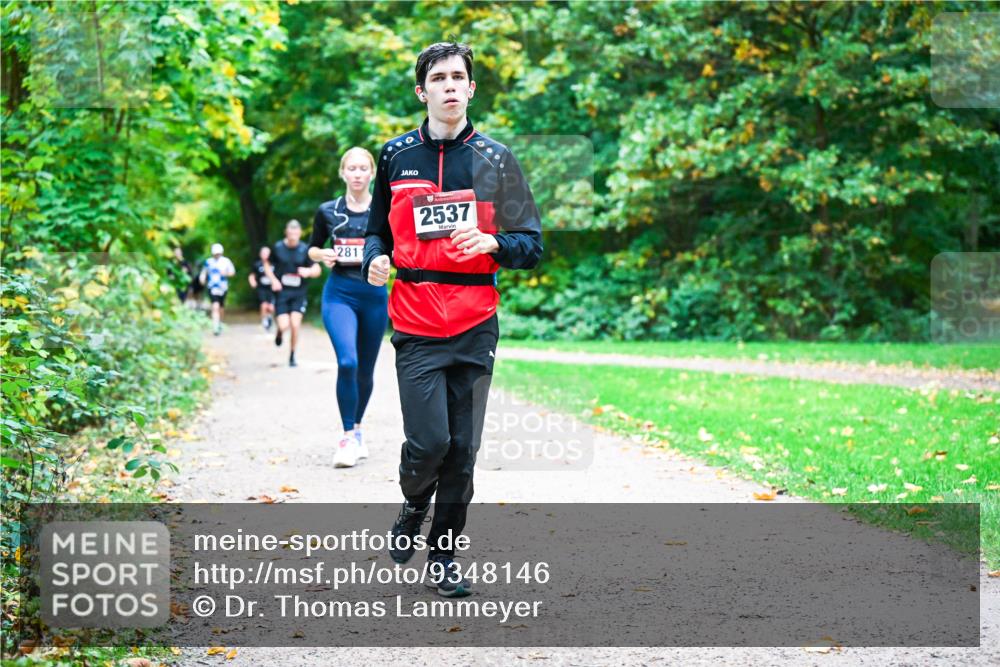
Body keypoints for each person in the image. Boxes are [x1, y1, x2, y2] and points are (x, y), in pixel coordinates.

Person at [363, 42, 542, 597]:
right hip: (415, 321)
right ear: (422, 91)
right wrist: (374, 259)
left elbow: (531, 244)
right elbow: (376, 232)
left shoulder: (497, 159)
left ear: (471, 88)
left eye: (457, 77)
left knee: (463, 452)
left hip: (474, 321)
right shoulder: (395, 156)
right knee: (429, 445)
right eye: (438, 78)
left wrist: (493, 241)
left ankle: (443, 556)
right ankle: (413, 503)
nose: (449, 86)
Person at [309, 147, 389, 468]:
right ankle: (346, 437)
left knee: (366, 370)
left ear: (372, 173)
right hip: (339, 294)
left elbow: (399, 248)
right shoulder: (328, 211)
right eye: (351, 168)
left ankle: (356, 429)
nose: (357, 174)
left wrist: (387, 260)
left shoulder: (385, 210)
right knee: (347, 361)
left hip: (374, 295)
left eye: (363, 168)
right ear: (342, 173)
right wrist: (322, 255)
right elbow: (312, 248)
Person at [264, 220, 321, 367]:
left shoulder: (305, 249)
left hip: (299, 293)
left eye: (296, 232)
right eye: (290, 232)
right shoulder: (278, 248)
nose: (293, 235)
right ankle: (279, 332)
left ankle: (292, 355)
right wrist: (273, 280)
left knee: (295, 324)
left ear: (300, 233)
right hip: (281, 292)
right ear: (286, 232)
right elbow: (266, 264)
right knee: (284, 325)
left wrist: (308, 271)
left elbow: (317, 269)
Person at [199, 243, 236, 336]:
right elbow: (204, 272)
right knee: (215, 306)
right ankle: (215, 326)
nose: (217, 255)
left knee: (221, 307)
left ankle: (220, 323)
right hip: (212, 287)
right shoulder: (208, 262)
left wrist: (226, 273)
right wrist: (202, 278)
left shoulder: (226, 261)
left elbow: (232, 272)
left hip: (223, 287)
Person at [248, 246, 276, 331]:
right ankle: (264, 321)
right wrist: (252, 281)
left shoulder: (274, 264)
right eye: (263, 253)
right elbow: (252, 275)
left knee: (271, 307)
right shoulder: (257, 264)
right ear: (260, 254)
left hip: (272, 288)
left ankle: (270, 318)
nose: (265, 255)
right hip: (262, 288)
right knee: (264, 305)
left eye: (267, 253)